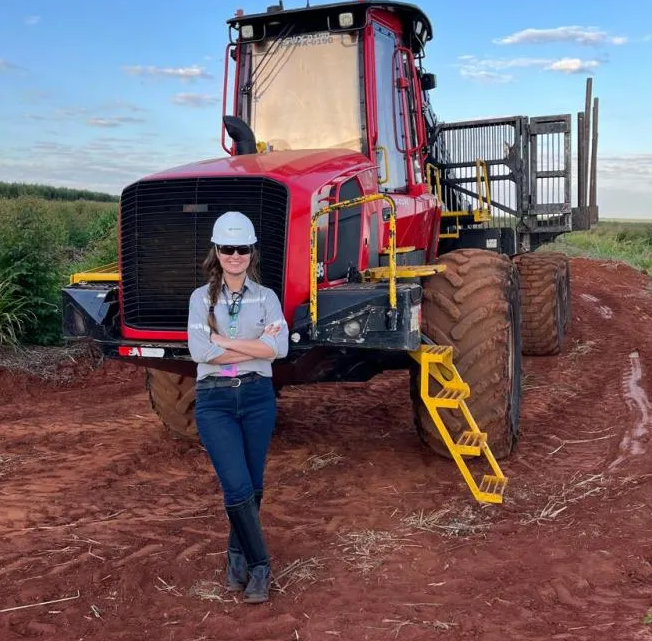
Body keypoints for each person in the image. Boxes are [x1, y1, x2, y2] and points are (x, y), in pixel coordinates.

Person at [187, 210, 289, 604]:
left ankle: (236, 559)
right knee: (236, 484)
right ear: (217, 250)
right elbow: (200, 351)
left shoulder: (267, 298)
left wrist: (225, 343)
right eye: (227, 248)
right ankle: (260, 565)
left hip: (257, 396)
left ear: (251, 252)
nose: (235, 256)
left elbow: (277, 350)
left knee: (254, 483)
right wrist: (253, 347)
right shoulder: (200, 298)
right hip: (214, 401)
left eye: (241, 249)